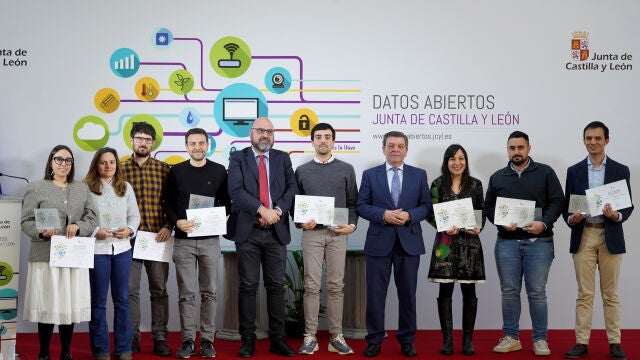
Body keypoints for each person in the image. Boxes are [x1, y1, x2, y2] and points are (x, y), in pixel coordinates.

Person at [484, 131, 565, 356]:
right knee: (509, 292)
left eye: (521, 147)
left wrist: (544, 223)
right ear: (507, 150)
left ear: (529, 148)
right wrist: (501, 223)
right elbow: (489, 206)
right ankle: (511, 337)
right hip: (507, 243)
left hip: (539, 242)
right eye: (512, 148)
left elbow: (558, 201)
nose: (516, 152)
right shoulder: (497, 176)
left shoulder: (545, 172)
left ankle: (540, 339)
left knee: (537, 292)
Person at [226, 117, 298, 358]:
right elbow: (235, 192)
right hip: (248, 232)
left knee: (276, 287)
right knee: (247, 287)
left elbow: (291, 190)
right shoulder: (238, 158)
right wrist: (261, 209)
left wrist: (276, 212)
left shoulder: (283, 158)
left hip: (276, 231)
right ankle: (248, 341)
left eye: (269, 131)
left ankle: (278, 340)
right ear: (251, 133)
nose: (265, 135)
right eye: (260, 131)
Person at [356, 131, 431, 358]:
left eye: (400, 145)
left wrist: (409, 215)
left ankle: (407, 340)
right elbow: (361, 205)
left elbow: (427, 205)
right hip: (379, 242)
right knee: (376, 295)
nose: (395, 149)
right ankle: (374, 340)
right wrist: (384, 214)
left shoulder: (419, 175)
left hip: (409, 242)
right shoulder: (370, 175)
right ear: (383, 148)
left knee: (408, 295)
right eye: (391, 145)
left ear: (406, 150)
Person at [563, 122, 633, 360]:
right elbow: (566, 207)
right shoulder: (573, 171)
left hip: (610, 233)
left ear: (607, 141)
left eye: (597, 138)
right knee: (585, 293)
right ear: (584, 141)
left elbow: (628, 205)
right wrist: (571, 218)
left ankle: (615, 343)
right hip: (584, 233)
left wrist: (618, 215)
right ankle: (581, 342)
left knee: (610, 294)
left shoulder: (621, 169)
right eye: (588, 138)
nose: (593, 142)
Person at [21, 145, 98, 360]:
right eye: (59, 159)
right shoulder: (36, 187)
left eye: (68, 160)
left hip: (73, 256)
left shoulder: (82, 188)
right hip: (45, 255)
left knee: (69, 305)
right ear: (51, 162)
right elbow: (25, 221)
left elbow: (92, 217)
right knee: (47, 304)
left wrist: (80, 226)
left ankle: (66, 353)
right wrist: (41, 231)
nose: (64, 163)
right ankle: (44, 353)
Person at [164, 128, 231, 359]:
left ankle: (207, 341)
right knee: (187, 293)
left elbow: (228, 203)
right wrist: (177, 222)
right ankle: (188, 341)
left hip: (210, 241)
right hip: (183, 241)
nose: (197, 147)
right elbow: (168, 203)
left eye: (201, 143)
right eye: (192, 143)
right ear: (186, 146)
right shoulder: (177, 171)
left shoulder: (219, 171)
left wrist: (215, 219)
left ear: (208, 145)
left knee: (209, 292)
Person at [294, 123, 358, 355]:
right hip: (311, 234)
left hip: (337, 234)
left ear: (333, 141)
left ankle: (335, 336)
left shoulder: (347, 169)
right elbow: (296, 205)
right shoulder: (302, 171)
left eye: (327, 137)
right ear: (312, 141)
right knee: (311, 286)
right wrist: (301, 222)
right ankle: (310, 336)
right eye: (318, 137)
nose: (323, 140)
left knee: (336, 287)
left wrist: (351, 226)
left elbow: (353, 203)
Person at [427, 144, 485, 356]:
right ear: (446, 162)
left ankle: (468, 340)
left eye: (461, 158)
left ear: (466, 161)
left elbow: (481, 213)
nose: (457, 162)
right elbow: (429, 213)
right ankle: (448, 340)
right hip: (445, 244)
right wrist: (442, 226)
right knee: (445, 292)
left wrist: (478, 226)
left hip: (470, 246)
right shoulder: (437, 185)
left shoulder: (476, 185)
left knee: (470, 292)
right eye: (452, 159)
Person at [121, 121, 172, 356]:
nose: (143, 143)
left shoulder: (164, 170)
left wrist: (169, 225)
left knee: (159, 290)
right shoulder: (119, 169)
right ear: (131, 140)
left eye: (148, 139)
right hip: (128, 240)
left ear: (153, 143)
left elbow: (172, 203)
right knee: (130, 291)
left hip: (157, 238)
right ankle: (132, 337)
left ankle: (160, 337)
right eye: (139, 138)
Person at [84, 147, 140, 360]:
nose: (108, 166)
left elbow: (134, 216)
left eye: (112, 162)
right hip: (98, 251)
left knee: (122, 300)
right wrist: (95, 231)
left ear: (117, 165)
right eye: (103, 162)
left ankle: (124, 349)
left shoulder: (125, 187)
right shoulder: (86, 188)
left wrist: (130, 230)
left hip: (122, 249)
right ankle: (100, 350)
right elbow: (81, 218)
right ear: (96, 165)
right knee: (98, 301)